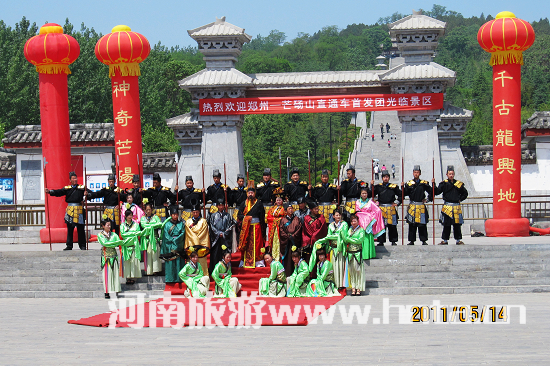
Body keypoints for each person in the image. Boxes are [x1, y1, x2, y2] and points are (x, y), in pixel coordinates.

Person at [45, 171, 88, 250]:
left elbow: (90, 194)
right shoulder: (67, 189)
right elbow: (59, 192)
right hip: (70, 210)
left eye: (76, 178)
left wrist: (87, 194)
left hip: (79, 210)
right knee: (70, 229)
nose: (75, 180)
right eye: (73, 178)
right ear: (70, 180)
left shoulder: (82, 188)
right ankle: (69, 245)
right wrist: (50, 192)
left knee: (81, 229)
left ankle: (82, 245)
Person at [311, 209, 348, 288]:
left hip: (340, 248)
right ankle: (335, 283)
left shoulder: (344, 224)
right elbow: (328, 236)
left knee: (340, 266)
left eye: (339, 215)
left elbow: (344, 236)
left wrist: (335, 237)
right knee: (334, 266)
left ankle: (341, 284)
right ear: (333, 216)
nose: (338, 217)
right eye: (336, 215)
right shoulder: (331, 225)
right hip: (333, 248)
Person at [434, 165, 468, 245]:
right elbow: (437, 192)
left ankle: (458, 239)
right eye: (450, 174)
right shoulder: (443, 184)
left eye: (452, 174)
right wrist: (433, 184)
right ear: (447, 174)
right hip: (447, 207)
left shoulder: (458, 184)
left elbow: (465, 193)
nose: (451, 175)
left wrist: (460, 199)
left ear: (454, 174)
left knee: (457, 225)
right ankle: (445, 240)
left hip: (456, 206)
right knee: (447, 225)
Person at [402, 165, 435, 245]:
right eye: (415, 172)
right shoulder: (409, 184)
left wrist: (427, 199)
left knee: (422, 224)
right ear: (413, 173)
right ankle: (411, 240)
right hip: (412, 205)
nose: (416, 174)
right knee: (412, 224)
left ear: (420, 173)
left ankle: (423, 240)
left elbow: (432, 192)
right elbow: (404, 194)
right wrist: (402, 187)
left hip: (421, 206)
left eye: (417, 172)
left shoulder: (424, 183)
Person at [237, 181, 266, 268]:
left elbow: (262, 216)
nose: (250, 194)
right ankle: (244, 261)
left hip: (256, 226)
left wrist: (262, 228)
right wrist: (245, 218)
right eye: (249, 193)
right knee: (246, 244)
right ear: (247, 193)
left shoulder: (259, 203)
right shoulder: (244, 203)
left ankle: (258, 262)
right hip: (247, 228)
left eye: (252, 193)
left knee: (257, 244)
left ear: (254, 193)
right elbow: (239, 215)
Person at [371, 170, 402, 246]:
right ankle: (381, 241)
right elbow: (370, 194)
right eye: (384, 177)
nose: (385, 178)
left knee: (392, 226)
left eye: (387, 177)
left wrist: (397, 203)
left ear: (389, 178)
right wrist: (371, 186)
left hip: (390, 208)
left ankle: (393, 240)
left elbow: (401, 195)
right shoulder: (378, 187)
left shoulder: (394, 187)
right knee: (381, 226)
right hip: (381, 208)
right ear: (382, 178)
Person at [344, 215, 370, 296]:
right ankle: (353, 288)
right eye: (352, 221)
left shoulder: (361, 230)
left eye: (355, 221)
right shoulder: (350, 229)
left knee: (358, 271)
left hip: (357, 252)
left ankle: (359, 288)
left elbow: (360, 240)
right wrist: (349, 239)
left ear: (358, 221)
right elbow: (346, 238)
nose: (353, 223)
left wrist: (349, 240)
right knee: (352, 271)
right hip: (350, 253)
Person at [97, 219, 123, 299]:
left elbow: (118, 242)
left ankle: (116, 290)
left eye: (110, 225)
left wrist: (112, 244)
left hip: (114, 256)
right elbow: (104, 243)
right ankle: (107, 292)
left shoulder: (114, 234)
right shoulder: (100, 235)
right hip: (105, 257)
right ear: (103, 226)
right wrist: (113, 244)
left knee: (115, 274)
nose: (109, 227)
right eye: (107, 225)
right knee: (106, 275)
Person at [207, 198, 234, 274]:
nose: (221, 207)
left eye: (222, 205)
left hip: (225, 238)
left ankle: (225, 270)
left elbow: (229, 226)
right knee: (215, 254)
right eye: (219, 205)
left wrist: (224, 233)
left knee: (224, 253)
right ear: (217, 206)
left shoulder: (227, 215)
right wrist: (218, 233)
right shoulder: (213, 215)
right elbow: (211, 226)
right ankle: (214, 270)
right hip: (216, 238)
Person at [160, 206, 185, 284]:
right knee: (171, 263)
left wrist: (176, 240)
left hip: (178, 244)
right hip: (170, 246)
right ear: (171, 215)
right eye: (173, 214)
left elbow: (182, 233)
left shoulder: (181, 224)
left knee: (178, 262)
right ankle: (170, 279)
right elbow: (166, 235)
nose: (175, 216)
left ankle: (179, 278)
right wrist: (173, 240)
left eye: (176, 214)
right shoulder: (167, 224)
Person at [184, 204, 211, 275]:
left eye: (196, 212)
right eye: (194, 212)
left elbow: (203, 232)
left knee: (202, 263)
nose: (195, 214)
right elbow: (189, 233)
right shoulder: (188, 222)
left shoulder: (203, 221)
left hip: (201, 245)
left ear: (199, 212)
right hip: (191, 244)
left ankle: (203, 277)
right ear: (191, 212)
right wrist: (195, 241)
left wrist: (197, 242)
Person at [120, 209, 143, 285]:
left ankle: (133, 277)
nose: (130, 217)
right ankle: (127, 278)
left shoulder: (136, 224)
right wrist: (133, 233)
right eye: (128, 215)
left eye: (131, 215)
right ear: (125, 216)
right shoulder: (122, 225)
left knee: (133, 262)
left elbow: (138, 233)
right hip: (126, 246)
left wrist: (129, 233)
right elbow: (123, 234)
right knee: (127, 262)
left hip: (134, 245)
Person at [279, 203, 302, 276]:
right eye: (289, 209)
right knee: (288, 260)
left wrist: (293, 236)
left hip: (294, 241)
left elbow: (299, 229)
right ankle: (287, 275)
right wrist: (287, 236)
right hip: (287, 243)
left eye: (292, 208)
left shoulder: (297, 219)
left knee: (295, 257)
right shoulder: (283, 220)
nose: (291, 210)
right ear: (285, 211)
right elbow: (281, 231)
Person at [139, 202, 162, 275]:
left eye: (149, 209)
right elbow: (143, 225)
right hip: (147, 239)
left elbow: (159, 224)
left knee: (155, 254)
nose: (148, 211)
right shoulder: (143, 218)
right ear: (145, 210)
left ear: (152, 209)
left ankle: (156, 270)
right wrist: (152, 225)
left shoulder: (155, 217)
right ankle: (149, 271)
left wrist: (149, 226)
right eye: (147, 209)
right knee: (148, 255)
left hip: (154, 238)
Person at [266, 188, 285, 261]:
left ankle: (280, 255)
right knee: (273, 241)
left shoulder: (284, 209)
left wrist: (278, 220)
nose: (279, 201)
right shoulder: (272, 209)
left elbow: (284, 217)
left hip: (280, 227)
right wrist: (275, 220)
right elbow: (268, 217)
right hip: (273, 228)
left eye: (280, 200)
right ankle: (273, 254)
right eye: (277, 200)